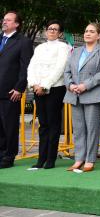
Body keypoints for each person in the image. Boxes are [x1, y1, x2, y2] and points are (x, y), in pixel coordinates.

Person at [63, 23, 100, 173]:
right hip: (74, 94)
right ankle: (79, 158)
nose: (87, 34)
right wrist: (70, 85)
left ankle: (90, 160)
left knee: (92, 129)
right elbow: (67, 71)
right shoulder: (75, 51)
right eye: (86, 31)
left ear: (99, 35)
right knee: (78, 129)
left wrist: (85, 85)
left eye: (91, 31)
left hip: (92, 94)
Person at [26, 20, 70, 169]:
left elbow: (60, 68)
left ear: (60, 33)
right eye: (49, 29)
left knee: (53, 124)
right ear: (46, 31)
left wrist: (45, 85)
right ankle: (41, 158)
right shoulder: (39, 48)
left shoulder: (63, 47)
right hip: (38, 88)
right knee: (43, 124)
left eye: (55, 29)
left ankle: (50, 159)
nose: (51, 31)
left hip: (55, 88)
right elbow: (32, 66)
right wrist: (33, 84)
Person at [0, 11, 34, 169]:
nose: (4, 22)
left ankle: (8, 156)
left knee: (10, 125)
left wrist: (19, 88)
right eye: (4, 19)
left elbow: (26, 67)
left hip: (10, 91)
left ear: (17, 24)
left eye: (8, 20)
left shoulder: (23, 42)